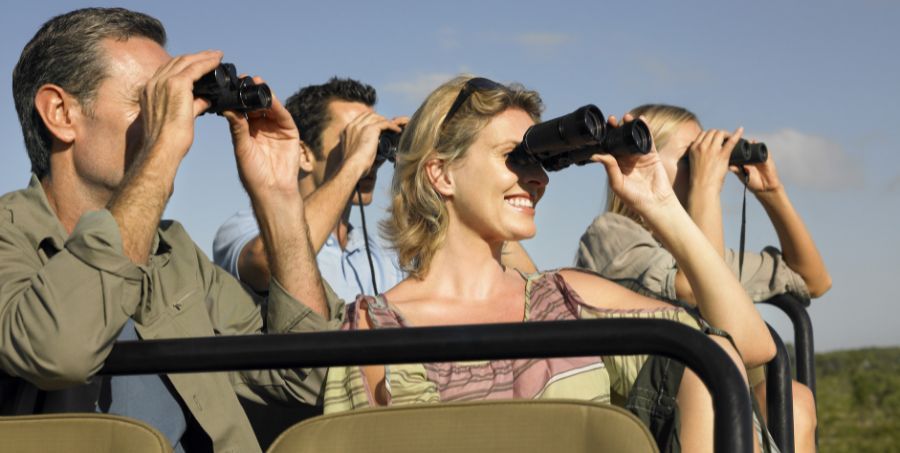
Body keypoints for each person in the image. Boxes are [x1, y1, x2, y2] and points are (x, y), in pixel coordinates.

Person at [318, 76, 777, 452]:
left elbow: (747, 347)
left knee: (710, 358)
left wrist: (662, 205)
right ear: (441, 173)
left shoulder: (566, 297)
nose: (536, 179)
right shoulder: (374, 331)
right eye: (513, 158)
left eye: (540, 162)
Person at [0, 8, 341, 452]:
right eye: (152, 102)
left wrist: (279, 198)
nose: (175, 122)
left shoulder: (173, 252)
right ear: (61, 113)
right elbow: (62, 353)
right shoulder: (11, 240)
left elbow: (307, 376)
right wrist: (162, 149)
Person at [576, 104, 830, 453]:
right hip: (657, 412)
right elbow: (697, 291)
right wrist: (706, 188)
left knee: (793, 400)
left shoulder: (713, 257)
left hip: (713, 398)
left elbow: (812, 280)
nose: (702, 167)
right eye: (690, 158)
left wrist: (772, 193)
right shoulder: (611, 235)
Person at [213, 78, 539, 300]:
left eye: (375, 139)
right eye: (355, 137)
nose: (373, 156)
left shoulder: (379, 251)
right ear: (304, 155)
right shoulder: (246, 228)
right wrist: (353, 163)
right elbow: (272, 264)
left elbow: (525, 287)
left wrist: (440, 161)